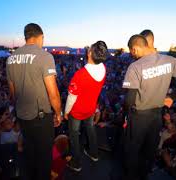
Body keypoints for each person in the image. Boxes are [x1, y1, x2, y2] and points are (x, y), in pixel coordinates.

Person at [122, 34, 176, 179]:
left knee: (131, 152)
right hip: (157, 117)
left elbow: (129, 100)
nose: (131, 55)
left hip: (139, 117)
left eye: (131, 51)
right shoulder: (169, 61)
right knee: (149, 152)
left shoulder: (135, 66)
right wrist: (173, 96)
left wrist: (126, 116)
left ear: (135, 48)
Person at [6, 23, 62, 180]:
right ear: (40, 36)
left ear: (26, 37)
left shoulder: (10, 58)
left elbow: (12, 93)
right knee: (44, 157)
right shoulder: (45, 56)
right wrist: (58, 113)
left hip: (22, 115)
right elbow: (53, 93)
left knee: (30, 153)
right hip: (41, 117)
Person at [64, 41, 108, 172]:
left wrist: (66, 111)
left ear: (90, 53)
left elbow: (71, 97)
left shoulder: (80, 75)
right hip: (91, 108)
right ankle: (94, 154)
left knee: (74, 136)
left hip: (77, 111)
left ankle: (76, 163)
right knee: (90, 129)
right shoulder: (104, 69)